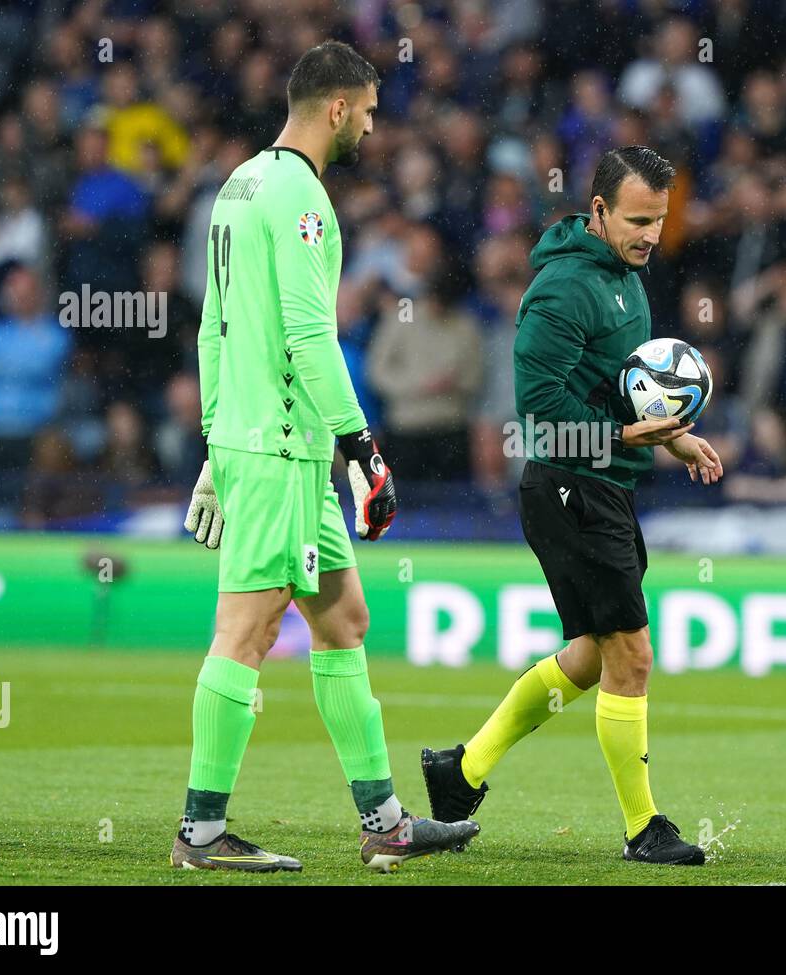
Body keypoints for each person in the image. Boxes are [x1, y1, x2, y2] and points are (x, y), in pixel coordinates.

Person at [173, 41, 478, 874]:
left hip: (268, 444)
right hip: (281, 446)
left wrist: (215, 442)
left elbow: (213, 327)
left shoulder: (238, 185)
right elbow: (310, 336)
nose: (372, 129)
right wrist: (363, 448)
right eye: (369, 113)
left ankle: (385, 822)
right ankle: (201, 833)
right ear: (338, 108)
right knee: (247, 630)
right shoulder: (304, 199)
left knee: (343, 619)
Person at [421, 146, 723, 867]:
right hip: (567, 486)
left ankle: (461, 771)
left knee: (591, 657)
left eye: (659, 220)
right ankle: (644, 828)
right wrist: (623, 436)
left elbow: (620, 387)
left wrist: (673, 438)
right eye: (638, 220)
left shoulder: (626, 280)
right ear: (598, 211)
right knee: (632, 655)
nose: (651, 234)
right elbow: (538, 414)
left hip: (605, 486)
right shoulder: (561, 289)